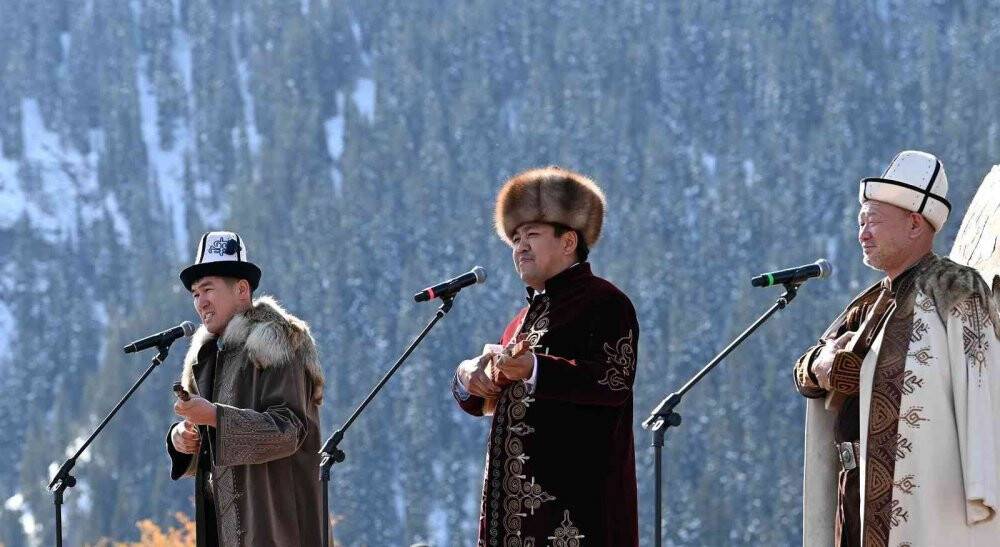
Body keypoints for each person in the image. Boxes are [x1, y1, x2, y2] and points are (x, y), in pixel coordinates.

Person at [793, 151, 1000, 546]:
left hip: (928, 505)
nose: (862, 233)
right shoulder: (869, 303)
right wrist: (822, 364)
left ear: (914, 223)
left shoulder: (956, 289)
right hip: (854, 497)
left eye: (872, 220)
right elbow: (807, 367)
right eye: (860, 221)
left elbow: (983, 389)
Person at [452, 167, 640, 546]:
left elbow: (614, 382)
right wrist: (469, 375)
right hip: (512, 524)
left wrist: (535, 368)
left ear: (568, 241)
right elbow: (482, 400)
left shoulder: (605, 302)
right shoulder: (520, 321)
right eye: (515, 238)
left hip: (576, 520)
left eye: (532, 235)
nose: (519, 246)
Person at [166, 231, 325, 546]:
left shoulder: (277, 341)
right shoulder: (205, 356)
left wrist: (214, 417)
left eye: (208, 289)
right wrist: (182, 438)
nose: (200, 302)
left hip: (278, 529)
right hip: (222, 532)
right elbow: (207, 439)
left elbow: (289, 430)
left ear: (241, 289)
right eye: (195, 294)